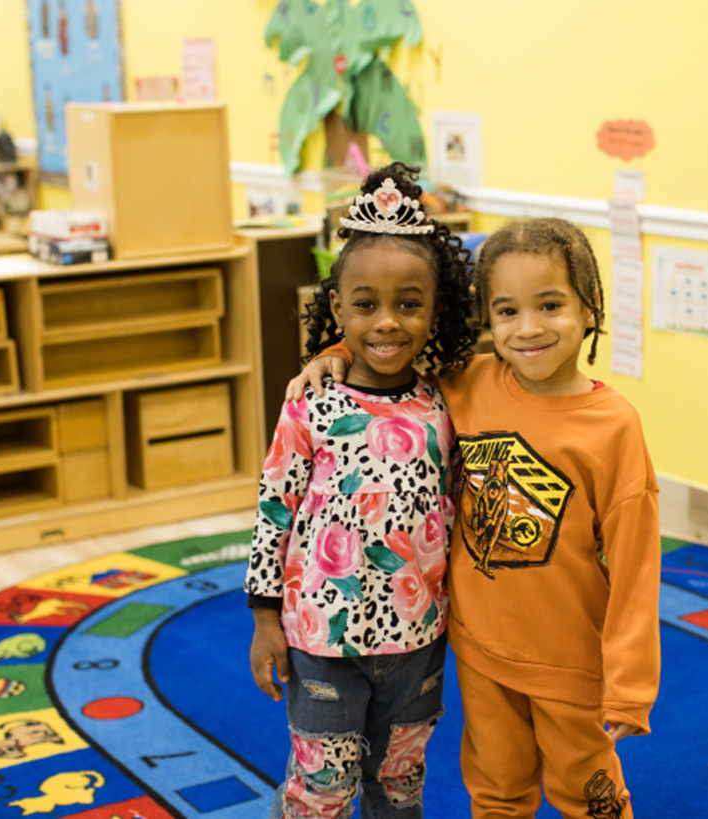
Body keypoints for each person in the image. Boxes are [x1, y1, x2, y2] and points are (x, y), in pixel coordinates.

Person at [291, 217, 661, 818]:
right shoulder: (470, 381)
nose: (529, 328)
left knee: (588, 797)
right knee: (496, 792)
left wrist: (631, 684)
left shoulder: (613, 426)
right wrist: (334, 351)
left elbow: (637, 564)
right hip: (481, 650)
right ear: (486, 320)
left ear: (590, 308)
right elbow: (388, 350)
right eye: (507, 311)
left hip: (570, 661)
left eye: (550, 305)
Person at [245, 161, 479, 819]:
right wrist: (265, 617)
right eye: (366, 304)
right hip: (323, 640)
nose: (387, 322)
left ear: (435, 311)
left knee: (399, 786)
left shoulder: (444, 401)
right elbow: (274, 508)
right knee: (321, 790)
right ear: (337, 306)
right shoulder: (311, 398)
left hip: (418, 637)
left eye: (409, 303)